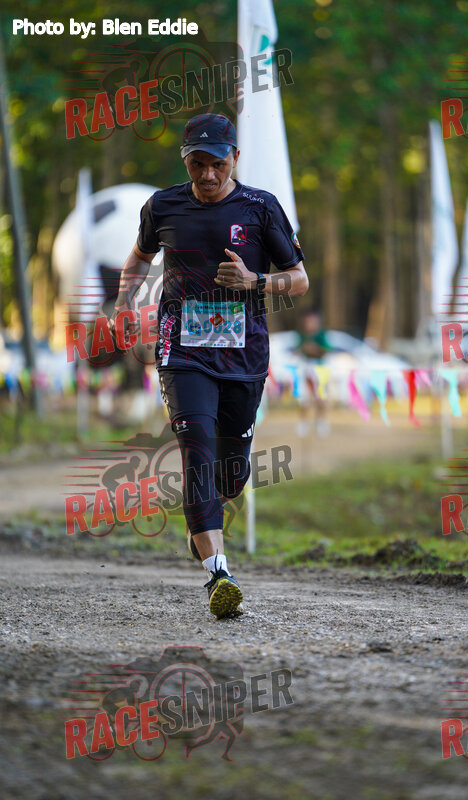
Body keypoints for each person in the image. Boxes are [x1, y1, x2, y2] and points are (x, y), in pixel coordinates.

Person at [108, 112, 309, 618]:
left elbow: (299, 279)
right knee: (196, 452)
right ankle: (219, 573)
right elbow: (139, 257)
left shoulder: (261, 208)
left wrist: (255, 282)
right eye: (197, 164)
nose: (208, 174)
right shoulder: (163, 206)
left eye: (217, 163)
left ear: (234, 158)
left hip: (244, 357)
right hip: (183, 352)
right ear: (185, 161)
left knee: (229, 476)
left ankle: (208, 520)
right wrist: (125, 301)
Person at [293, 309, 334, 437]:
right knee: (304, 397)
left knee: (320, 397)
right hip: (305, 367)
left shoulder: (321, 335)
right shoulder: (301, 335)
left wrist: (315, 350)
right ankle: (303, 423)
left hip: (319, 368)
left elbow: (327, 350)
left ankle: (321, 422)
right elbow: (297, 349)